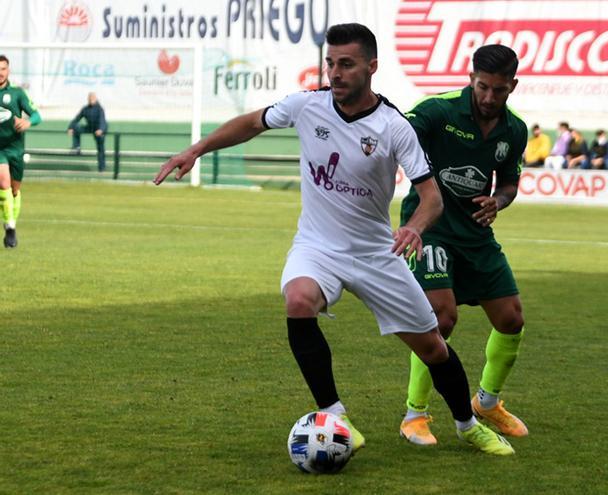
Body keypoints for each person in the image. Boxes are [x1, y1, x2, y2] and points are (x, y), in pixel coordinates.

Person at [153, 23, 513, 456]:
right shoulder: (307, 106)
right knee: (298, 300)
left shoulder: (394, 126)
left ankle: (466, 423)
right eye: (330, 63)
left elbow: (431, 197)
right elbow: (252, 122)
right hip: (318, 247)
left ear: (371, 67)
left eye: (346, 64)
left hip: (376, 252)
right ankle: (335, 415)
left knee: (434, 345)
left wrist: (414, 226)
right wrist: (196, 149)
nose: (335, 72)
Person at [398, 44, 529, 447]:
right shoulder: (438, 111)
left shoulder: (515, 130)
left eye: (499, 90)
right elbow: (396, 135)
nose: (489, 97)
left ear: (513, 86)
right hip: (431, 227)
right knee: (442, 317)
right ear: (471, 78)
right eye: (483, 87)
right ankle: (415, 415)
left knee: (511, 319)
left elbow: (508, 183)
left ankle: (486, 402)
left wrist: (498, 202)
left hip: (475, 235)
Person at [0, 54, 42, 249]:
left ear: (8, 71)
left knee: (15, 190)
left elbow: (37, 115)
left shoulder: (17, 93)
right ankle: (10, 228)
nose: (0, 73)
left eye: (3, 69)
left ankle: (11, 223)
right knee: (3, 184)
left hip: (15, 149)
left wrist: (27, 122)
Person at [68, 92, 108, 172]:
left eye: (92, 98)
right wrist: (70, 127)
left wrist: (101, 130)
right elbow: (77, 118)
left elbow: (102, 120)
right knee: (76, 127)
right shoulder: (85, 109)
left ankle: (102, 167)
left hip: (99, 129)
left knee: (100, 148)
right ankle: (77, 148)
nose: (91, 100)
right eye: (89, 98)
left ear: (96, 99)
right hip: (90, 127)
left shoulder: (100, 109)